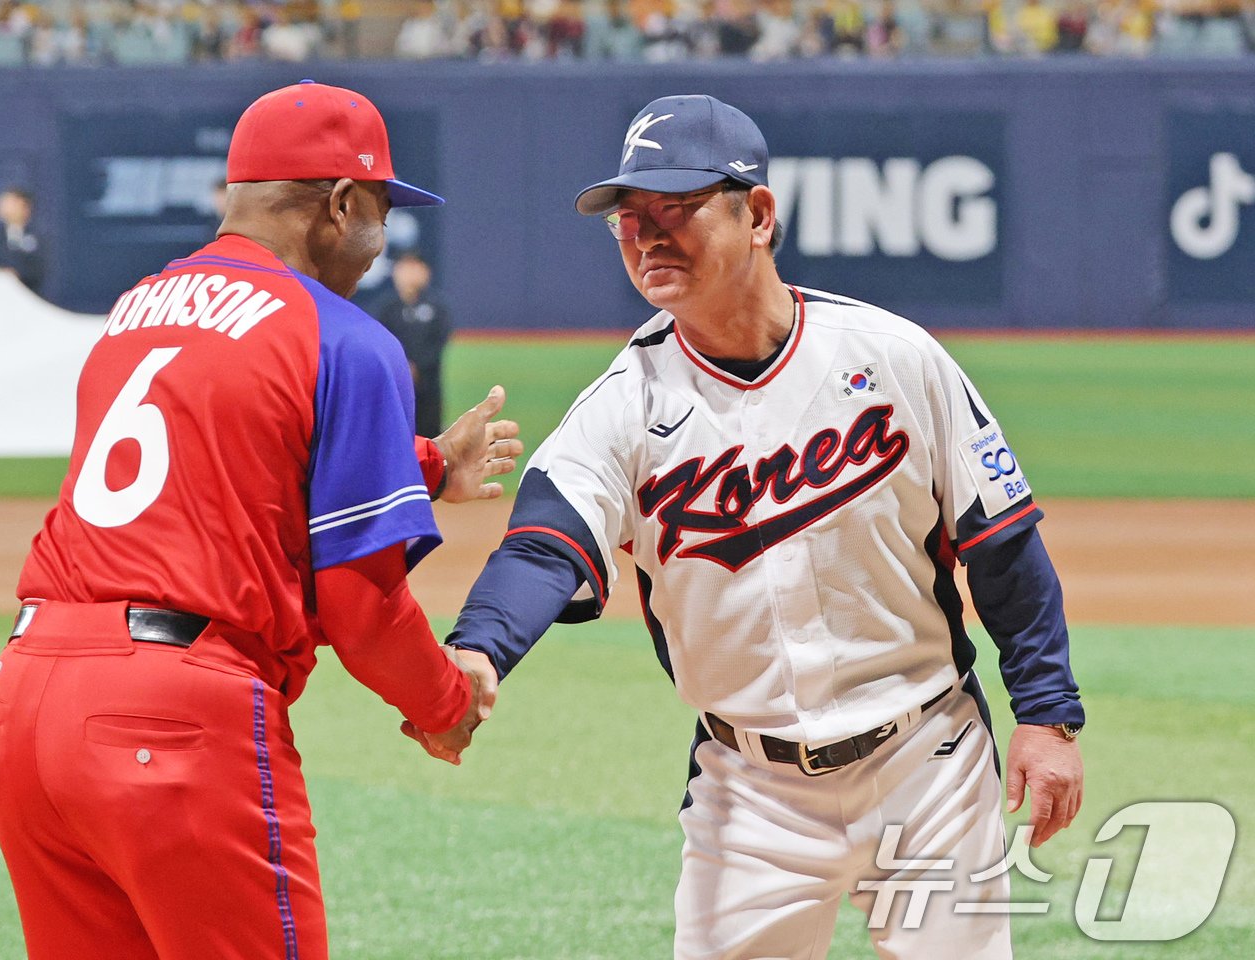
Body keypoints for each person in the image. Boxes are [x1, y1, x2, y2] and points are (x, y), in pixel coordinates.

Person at [422, 95, 1085, 959]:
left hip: (930, 761)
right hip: (749, 793)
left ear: (760, 214)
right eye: (630, 220)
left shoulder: (893, 357)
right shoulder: (622, 406)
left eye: (677, 209)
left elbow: (1002, 543)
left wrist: (1047, 714)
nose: (648, 237)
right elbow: (547, 545)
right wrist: (479, 647)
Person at [0, 81, 514, 960]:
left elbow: (219, 458)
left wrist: (422, 464)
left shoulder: (135, 311)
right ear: (339, 205)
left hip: (29, 702)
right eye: (380, 208)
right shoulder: (344, 336)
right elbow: (361, 606)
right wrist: (445, 701)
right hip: (173, 720)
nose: (384, 238)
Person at [376, 251, 452, 438]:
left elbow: (439, 342)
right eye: (404, 268)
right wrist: (402, 365)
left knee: (430, 438)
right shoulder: (387, 309)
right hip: (395, 386)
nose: (409, 274)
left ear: (426, 272)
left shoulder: (436, 308)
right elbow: (380, 343)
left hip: (428, 389)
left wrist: (417, 366)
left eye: (415, 268)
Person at [0, 186, 46, 294]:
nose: (2, 207)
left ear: (23, 205)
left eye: (8, 203)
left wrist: (16, 274)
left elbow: (39, 270)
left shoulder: (38, 236)